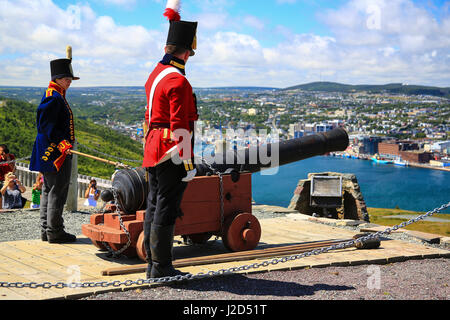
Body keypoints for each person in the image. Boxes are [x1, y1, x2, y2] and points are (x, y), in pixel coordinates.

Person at [142, 0, 199, 279]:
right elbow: (180, 126)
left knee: (154, 203)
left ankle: (153, 265)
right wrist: (187, 162)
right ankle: (163, 268)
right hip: (171, 149)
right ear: (187, 53)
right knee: (166, 205)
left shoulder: (157, 73)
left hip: (154, 146)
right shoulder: (178, 81)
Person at [29, 47, 79, 243]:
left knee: (49, 190)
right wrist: (64, 143)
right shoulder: (53, 97)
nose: (69, 82)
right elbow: (45, 127)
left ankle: (46, 229)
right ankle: (55, 231)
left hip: (52, 150)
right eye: (67, 79)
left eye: (70, 79)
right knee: (57, 190)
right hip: (55, 151)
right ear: (57, 78)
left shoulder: (56, 93)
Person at [0, 144, 16, 210]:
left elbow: (13, 169)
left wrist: (8, 158)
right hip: (0, 179)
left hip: (9, 179)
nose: (2, 153)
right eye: (1, 151)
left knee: (9, 196)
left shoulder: (11, 156)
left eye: (3, 151)